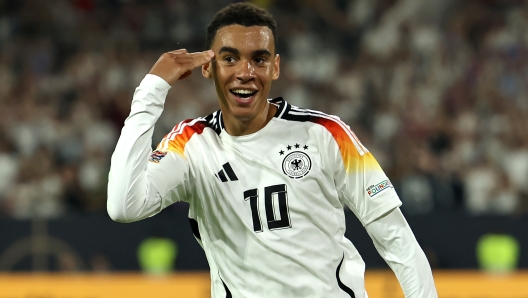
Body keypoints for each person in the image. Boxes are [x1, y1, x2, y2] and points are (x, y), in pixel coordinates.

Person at [107, 2, 438, 297]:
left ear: (275, 68)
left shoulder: (324, 134)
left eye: (259, 59)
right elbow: (124, 205)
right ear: (207, 67)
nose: (246, 73)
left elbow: (397, 239)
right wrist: (152, 90)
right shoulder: (192, 144)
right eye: (230, 58)